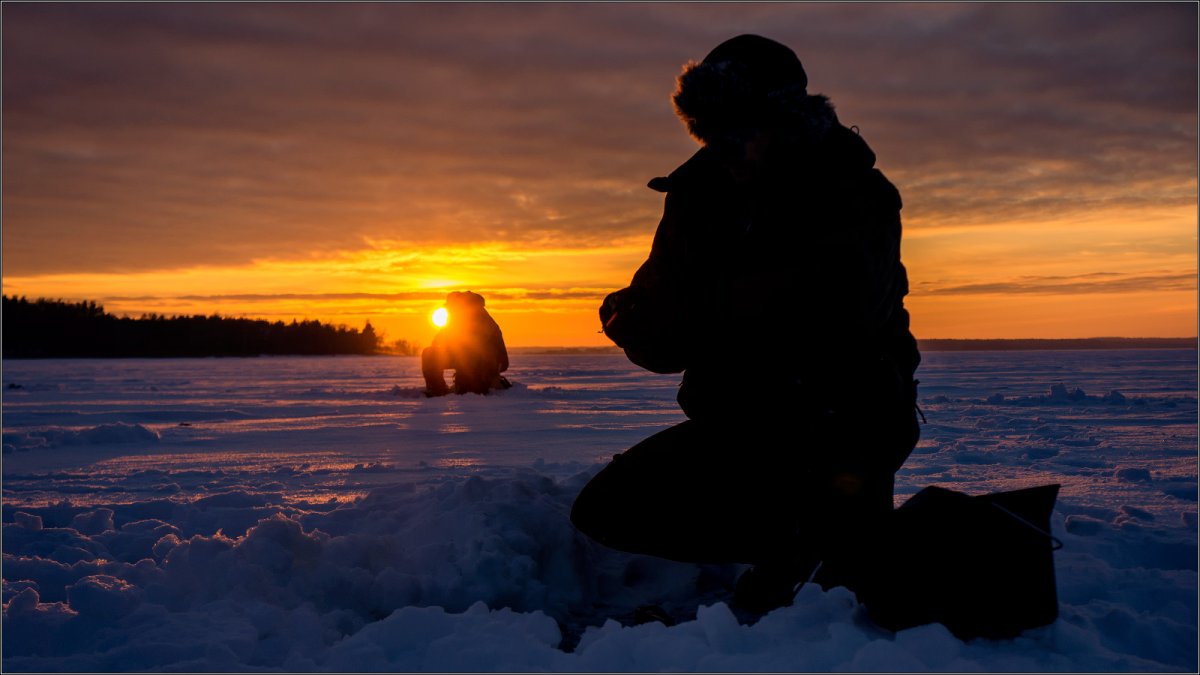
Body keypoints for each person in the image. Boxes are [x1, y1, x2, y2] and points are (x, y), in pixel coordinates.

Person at [570, 35, 921, 614]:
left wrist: (699, 307)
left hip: (845, 425)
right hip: (740, 423)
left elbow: (832, 322)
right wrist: (629, 318)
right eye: (712, 131)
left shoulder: (853, 192)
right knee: (609, 509)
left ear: (785, 121)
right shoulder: (696, 195)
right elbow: (664, 341)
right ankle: (800, 541)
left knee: (840, 600)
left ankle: (826, 546)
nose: (726, 148)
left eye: (741, 129)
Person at [422, 291, 512, 396]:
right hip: (466, 357)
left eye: (451, 307)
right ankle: (436, 388)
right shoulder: (455, 320)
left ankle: (473, 385)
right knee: (429, 353)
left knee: (467, 354)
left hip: (493, 361)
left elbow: (477, 344)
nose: (449, 310)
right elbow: (438, 340)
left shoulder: (481, 318)